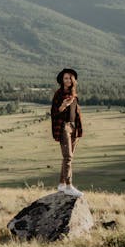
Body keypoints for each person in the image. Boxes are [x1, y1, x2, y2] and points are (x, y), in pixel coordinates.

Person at [51, 67, 84, 196]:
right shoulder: (58, 94)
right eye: (66, 78)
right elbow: (54, 112)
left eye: (70, 78)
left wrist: (78, 129)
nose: (68, 80)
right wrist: (63, 105)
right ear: (62, 80)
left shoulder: (74, 94)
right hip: (64, 127)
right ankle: (69, 186)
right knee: (68, 157)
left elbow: (77, 113)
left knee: (67, 158)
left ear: (73, 80)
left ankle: (61, 184)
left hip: (74, 127)